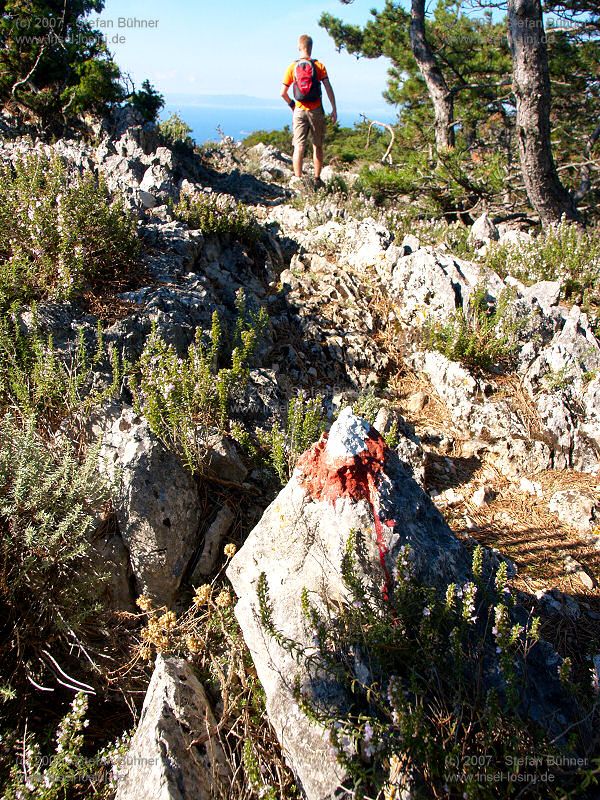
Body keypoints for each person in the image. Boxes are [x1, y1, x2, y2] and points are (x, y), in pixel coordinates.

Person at [280, 34, 337, 190]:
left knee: (298, 146)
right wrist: (334, 108)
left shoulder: (292, 67)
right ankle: (317, 179)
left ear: (299, 47)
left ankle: (298, 180)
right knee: (317, 145)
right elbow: (328, 87)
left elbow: (282, 93)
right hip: (316, 110)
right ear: (311, 47)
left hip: (299, 109)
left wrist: (293, 105)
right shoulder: (318, 66)